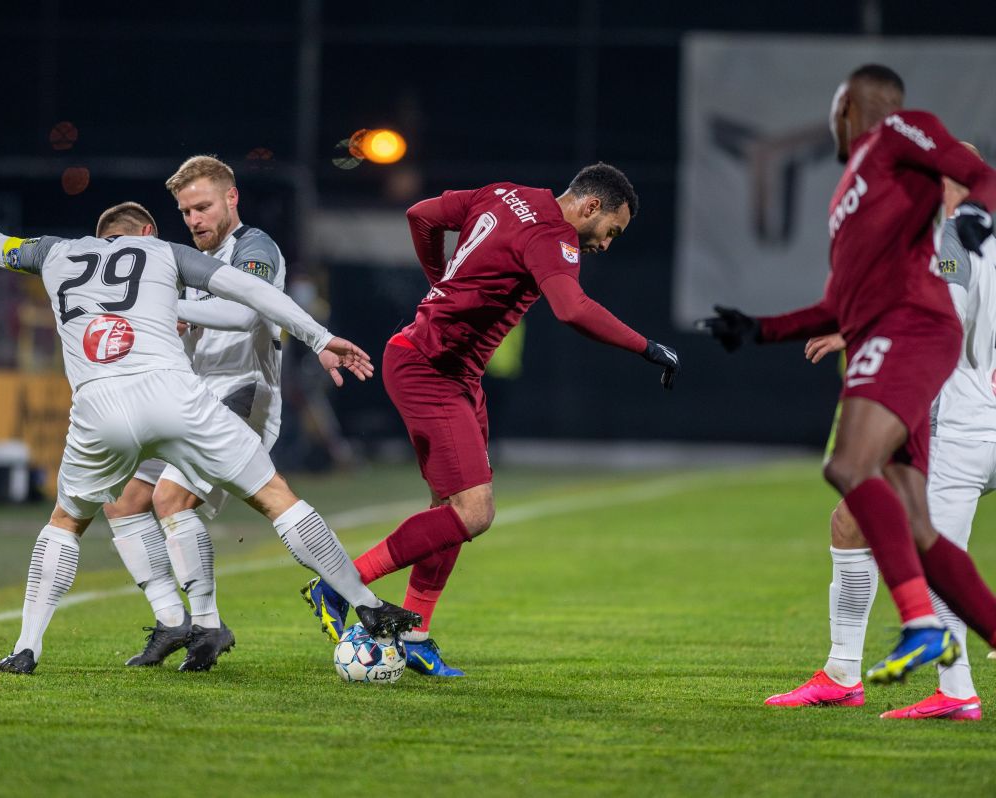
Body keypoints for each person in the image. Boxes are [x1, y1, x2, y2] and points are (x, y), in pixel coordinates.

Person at [0, 179, 420, 675]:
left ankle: (26, 648)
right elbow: (251, 293)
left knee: (66, 522)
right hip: (175, 397)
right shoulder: (164, 252)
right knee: (273, 496)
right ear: (146, 233)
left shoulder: (56, 251)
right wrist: (320, 337)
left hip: (99, 407)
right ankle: (365, 603)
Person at [302, 163, 681, 676]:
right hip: (430, 369)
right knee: (474, 512)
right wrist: (647, 347)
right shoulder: (553, 235)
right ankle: (340, 584)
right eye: (611, 230)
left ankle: (415, 635)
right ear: (591, 206)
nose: (607, 244)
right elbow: (572, 309)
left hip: (453, 373)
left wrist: (439, 280)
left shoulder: (504, 192)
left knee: (448, 514)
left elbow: (421, 215)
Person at [700, 64, 996, 685]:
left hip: (949, 405)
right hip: (954, 406)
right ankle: (846, 671)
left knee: (870, 489)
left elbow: (947, 290)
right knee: (871, 520)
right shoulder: (899, 212)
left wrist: (869, 324)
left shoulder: (944, 230)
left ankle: (940, 668)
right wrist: (774, 327)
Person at [767, 151, 994, 719]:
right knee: (851, 520)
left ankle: (958, 692)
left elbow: (937, 311)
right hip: (973, 419)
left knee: (936, 557)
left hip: (960, 422)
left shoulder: (952, 240)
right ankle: (842, 673)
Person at [102, 155, 291, 672]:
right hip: (192, 397)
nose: (193, 220)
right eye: (185, 212)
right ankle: (172, 620)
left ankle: (208, 626)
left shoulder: (254, 248)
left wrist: (171, 310)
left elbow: (243, 314)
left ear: (232, 198)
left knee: (170, 498)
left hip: (244, 395)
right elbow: (193, 333)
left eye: (202, 207)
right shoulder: (190, 263)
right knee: (121, 500)